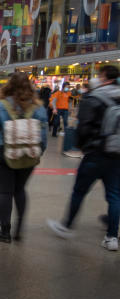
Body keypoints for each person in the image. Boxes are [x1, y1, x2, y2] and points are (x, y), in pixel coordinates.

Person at [47, 65, 120, 251]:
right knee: (114, 196)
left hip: (95, 154)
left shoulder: (94, 98)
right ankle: (112, 237)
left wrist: (81, 146)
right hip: (116, 153)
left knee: (79, 191)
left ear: (105, 77)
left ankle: (66, 226)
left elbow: (83, 127)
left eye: (99, 75)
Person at [0, 72, 47, 243]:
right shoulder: (38, 108)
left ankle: (4, 232)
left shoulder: (0, 105)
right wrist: (39, 152)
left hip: (3, 151)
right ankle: (19, 229)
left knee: (5, 191)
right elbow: (43, 136)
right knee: (19, 190)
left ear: (9, 85)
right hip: (28, 154)